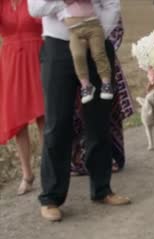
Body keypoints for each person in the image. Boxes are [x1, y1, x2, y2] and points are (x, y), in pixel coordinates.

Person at [29, 0, 131, 223]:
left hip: (96, 42)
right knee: (57, 122)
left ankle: (102, 189)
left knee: (98, 120)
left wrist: (93, 33)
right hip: (58, 47)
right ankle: (51, 198)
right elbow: (35, 8)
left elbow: (112, 5)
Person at [71, 18, 135, 176]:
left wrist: (96, 43)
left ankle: (112, 157)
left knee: (107, 111)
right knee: (76, 112)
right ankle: (78, 160)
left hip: (102, 56)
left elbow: (115, 23)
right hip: (75, 58)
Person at [0, 0, 45, 196]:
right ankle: (27, 174)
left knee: (44, 117)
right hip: (11, 62)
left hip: (38, 58)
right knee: (18, 121)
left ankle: (49, 170)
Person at [61, 0, 114, 104]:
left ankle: (106, 83)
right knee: (77, 56)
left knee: (98, 53)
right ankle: (85, 86)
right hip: (73, 30)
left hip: (92, 25)